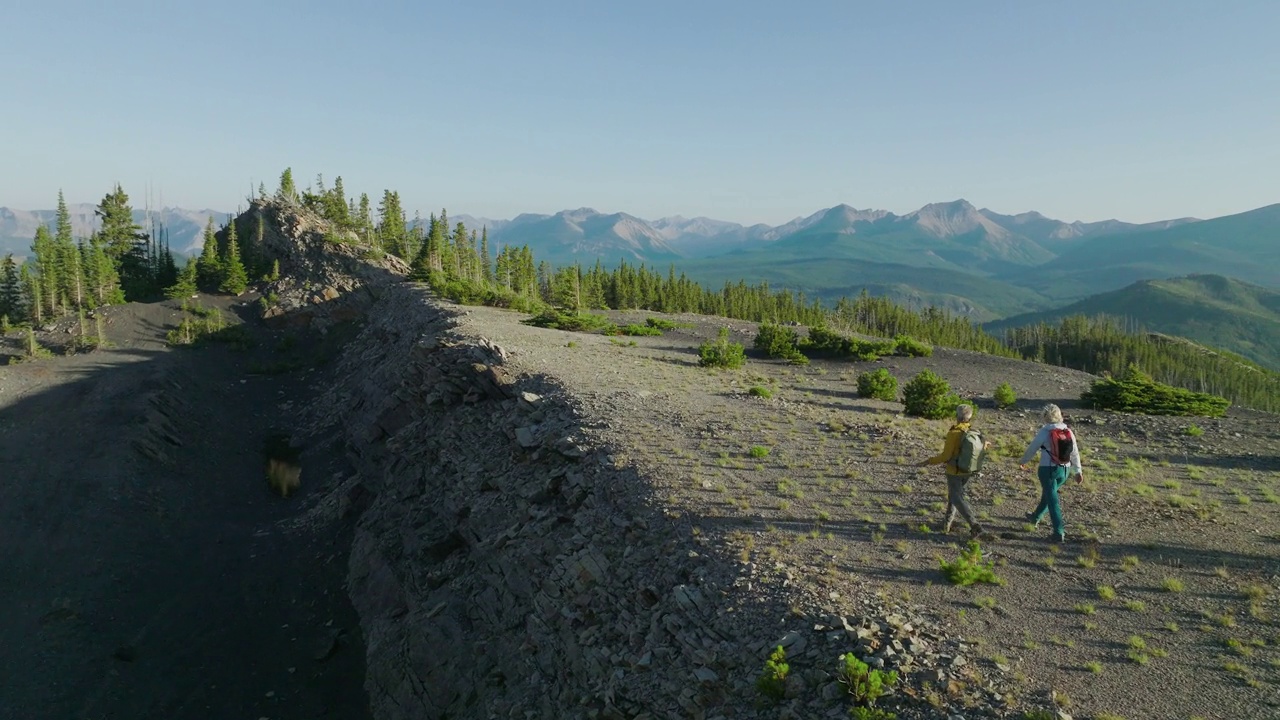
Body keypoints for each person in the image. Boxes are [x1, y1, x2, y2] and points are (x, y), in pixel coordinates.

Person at [920, 404, 988, 536]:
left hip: (954, 471)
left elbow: (945, 456)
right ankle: (946, 524)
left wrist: (929, 461)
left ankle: (975, 525)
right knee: (954, 496)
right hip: (968, 470)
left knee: (957, 498)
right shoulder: (975, 432)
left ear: (957, 415)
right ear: (970, 416)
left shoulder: (954, 433)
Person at [1019, 403, 1083, 542]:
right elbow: (1075, 452)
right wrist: (1077, 471)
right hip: (1064, 470)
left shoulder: (1045, 432)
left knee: (1052, 500)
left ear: (1045, 416)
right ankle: (1035, 517)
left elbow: (1033, 448)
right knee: (1049, 495)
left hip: (1048, 470)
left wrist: (1023, 461)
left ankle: (1058, 531)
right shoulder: (1068, 431)